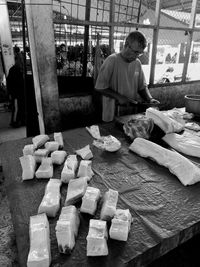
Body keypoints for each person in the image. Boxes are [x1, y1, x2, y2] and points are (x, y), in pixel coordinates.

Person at [95, 30, 160, 122]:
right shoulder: (112, 61)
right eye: (135, 52)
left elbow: (142, 87)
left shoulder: (137, 63)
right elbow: (100, 87)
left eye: (139, 53)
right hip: (112, 114)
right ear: (126, 45)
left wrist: (150, 99)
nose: (137, 56)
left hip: (130, 114)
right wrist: (119, 97)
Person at [7, 46, 25, 127]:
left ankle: (19, 121)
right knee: (17, 107)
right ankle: (15, 122)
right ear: (16, 60)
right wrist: (10, 93)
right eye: (20, 60)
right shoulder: (13, 70)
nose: (21, 61)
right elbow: (10, 82)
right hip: (15, 92)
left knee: (20, 106)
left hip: (19, 91)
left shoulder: (20, 69)